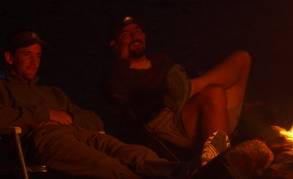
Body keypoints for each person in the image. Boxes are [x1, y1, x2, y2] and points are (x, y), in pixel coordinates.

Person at [0, 29, 181, 179]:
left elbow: (94, 121)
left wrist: (65, 117)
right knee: (103, 165)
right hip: (42, 141)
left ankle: (184, 174)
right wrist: (45, 115)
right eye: (27, 55)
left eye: (38, 56)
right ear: (9, 58)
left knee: (134, 153)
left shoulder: (53, 92)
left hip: (79, 133)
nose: (34, 61)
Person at [103, 15, 251, 154]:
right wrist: (122, 59)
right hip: (165, 123)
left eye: (138, 31)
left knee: (243, 58)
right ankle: (222, 165)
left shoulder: (160, 59)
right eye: (126, 34)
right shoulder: (117, 73)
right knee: (213, 92)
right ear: (114, 43)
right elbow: (116, 108)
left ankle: (191, 87)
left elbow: (181, 78)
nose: (135, 36)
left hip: (195, 108)